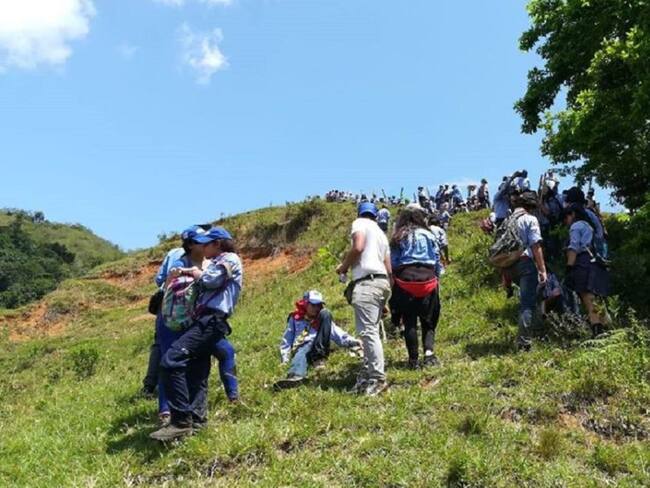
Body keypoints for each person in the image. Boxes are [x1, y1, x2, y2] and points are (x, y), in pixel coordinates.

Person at [151, 226, 243, 441]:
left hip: (211, 321)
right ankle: (198, 421)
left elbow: (211, 280)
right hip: (203, 320)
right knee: (198, 370)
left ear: (217, 244)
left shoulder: (229, 259)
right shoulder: (214, 261)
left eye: (206, 243)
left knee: (171, 361)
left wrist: (193, 274)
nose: (203, 247)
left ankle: (180, 421)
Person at [336, 202, 392, 396]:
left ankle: (377, 378)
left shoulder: (359, 223)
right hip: (382, 283)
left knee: (368, 332)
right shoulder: (382, 234)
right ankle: (367, 376)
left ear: (360, 213)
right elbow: (389, 269)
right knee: (371, 331)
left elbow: (358, 247)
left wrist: (343, 267)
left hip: (366, 283)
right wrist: (384, 299)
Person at [156, 226, 208, 426]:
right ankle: (166, 411)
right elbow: (166, 284)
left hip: (197, 319)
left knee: (197, 363)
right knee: (168, 360)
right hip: (173, 319)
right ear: (190, 245)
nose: (205, 244)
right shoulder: (180, 262)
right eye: (200, 241)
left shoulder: (211, 261)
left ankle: (192, 412)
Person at [141, 227, 200, 397]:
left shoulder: (173, 253)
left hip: (166, 305)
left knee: (160, 344)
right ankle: (177, 387)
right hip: (188, 307)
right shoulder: (200, 258)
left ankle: (151, 385)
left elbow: (159, 279)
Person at [389, 206, 443, 369]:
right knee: (429, 320)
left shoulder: (399, 235)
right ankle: (429, 354)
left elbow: (394, 262)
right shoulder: (428, 234)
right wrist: (437, 277)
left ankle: (413, 360)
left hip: (405, 281)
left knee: (409, 321)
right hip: (428, 279)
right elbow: (436, 258)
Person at [274, 291, 362, 389]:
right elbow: (287, 339)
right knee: (302, 351)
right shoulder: (295, 318)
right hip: (302, 345)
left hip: (319, 346)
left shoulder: (323, 318)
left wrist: (353, 341)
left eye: (318, 305)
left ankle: (316, 361)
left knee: (326, 313)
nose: (316, 308)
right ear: (305, 304)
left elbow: (337, 333)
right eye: (313, 305)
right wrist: (285, 359)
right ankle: (295, 376)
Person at [562, 204, 610, 337]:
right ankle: (608, 329)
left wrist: (569, 267)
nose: (565, 222)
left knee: (588, 299)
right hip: (594, 262)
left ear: (572, 214)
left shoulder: (576, 226)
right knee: (597, 299)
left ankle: (597, 332)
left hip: (582, 263)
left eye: (566, 218)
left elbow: (574, 247)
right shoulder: (589, 226)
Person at [510, 191, 547, 351]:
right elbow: (535, 245)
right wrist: (542, 269)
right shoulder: (530, 219)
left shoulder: (509, 220)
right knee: (527, 302)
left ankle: (538, 331)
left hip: (510, 265)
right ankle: (524, 343)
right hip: (526, 263)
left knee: (533, 297)